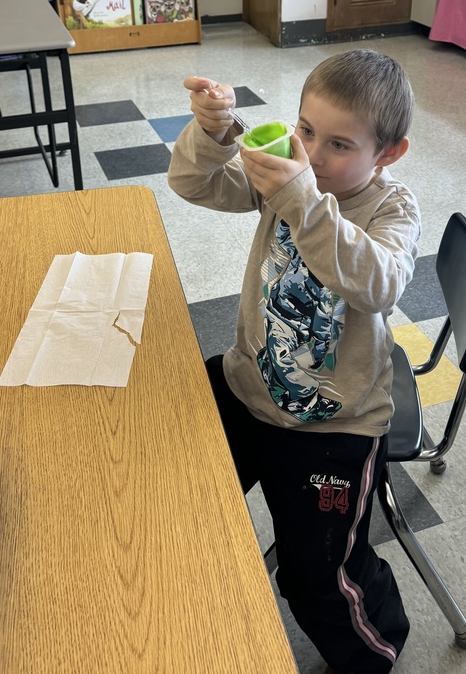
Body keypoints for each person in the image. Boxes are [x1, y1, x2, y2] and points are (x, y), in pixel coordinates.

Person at [167, 49, 421, 673]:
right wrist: (211, 130)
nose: (313, 152)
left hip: (334, 427)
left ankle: (375, 649)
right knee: (167, 483)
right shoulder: (292, 176)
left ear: (387, 153)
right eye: (306, 130)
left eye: (339, 143)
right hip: (249, 384)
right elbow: (193, 183)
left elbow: (380, 283)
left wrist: (301, 198)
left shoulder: (391, 209)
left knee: (316, 580)